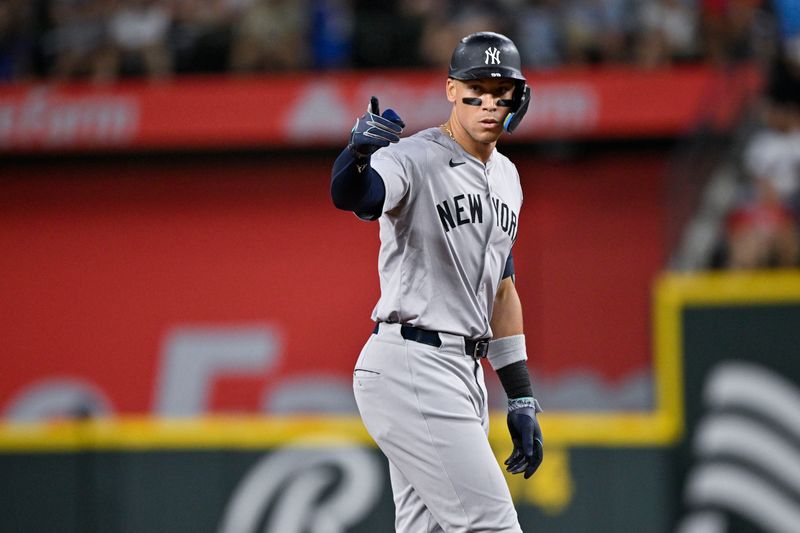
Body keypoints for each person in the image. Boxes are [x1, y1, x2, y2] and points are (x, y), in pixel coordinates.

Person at [329, 31, 543, 532]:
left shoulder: (508, 178)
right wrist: (355, 157)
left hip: (462, 371)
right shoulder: (414, 157)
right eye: (476, 89)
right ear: (451, 91)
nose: (488, 102)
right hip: (412, 361)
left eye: (501, 91)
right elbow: (357, 195)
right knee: (491, 525)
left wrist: (520, 395)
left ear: (518, 99)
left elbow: (502, 288)